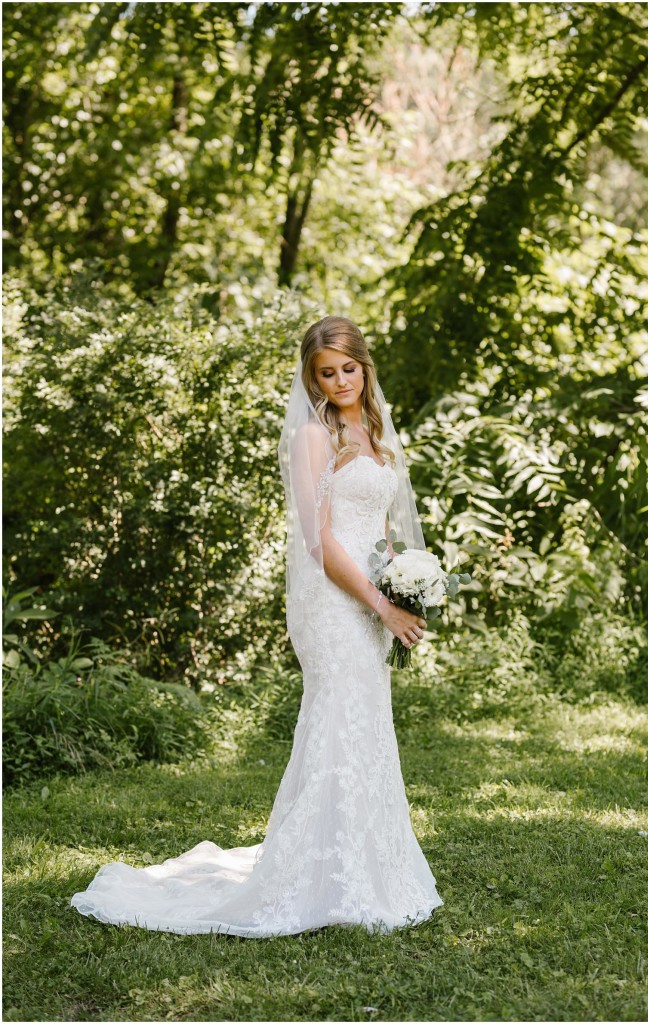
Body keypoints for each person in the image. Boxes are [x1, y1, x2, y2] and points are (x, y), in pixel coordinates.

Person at [70, 316, 443, 937]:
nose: (341, 381)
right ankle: (320, 876)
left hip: (372, 595)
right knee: (337, 719)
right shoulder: (311, 438)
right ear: (311, 377)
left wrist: (400, 583)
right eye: (327, 373)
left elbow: (377, 528)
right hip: (332, 601)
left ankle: (362, 865)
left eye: (349, 368)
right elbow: (320, 541)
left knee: (366, 723)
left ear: (364, 367)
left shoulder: (375, 432)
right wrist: (378, 605)